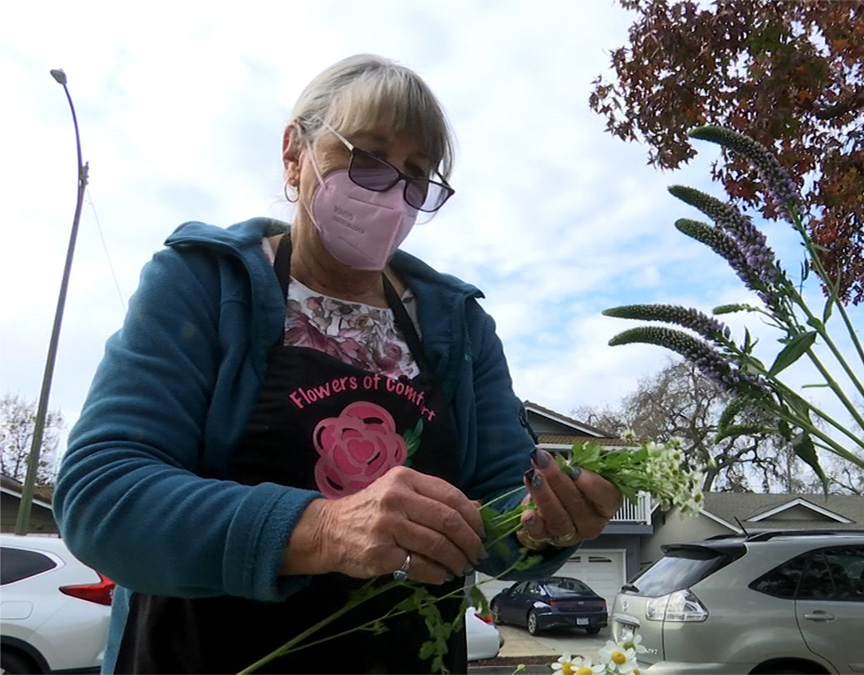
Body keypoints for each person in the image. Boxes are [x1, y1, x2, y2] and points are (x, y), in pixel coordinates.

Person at [53, 54, 623, 674]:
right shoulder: (203, 285)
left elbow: (501, 512)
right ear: (295, 154)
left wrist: (544, 526)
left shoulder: (456, 325)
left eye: (415, 174)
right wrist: (321, 529)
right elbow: (101, 496)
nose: (392, 193)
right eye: (368, 157)